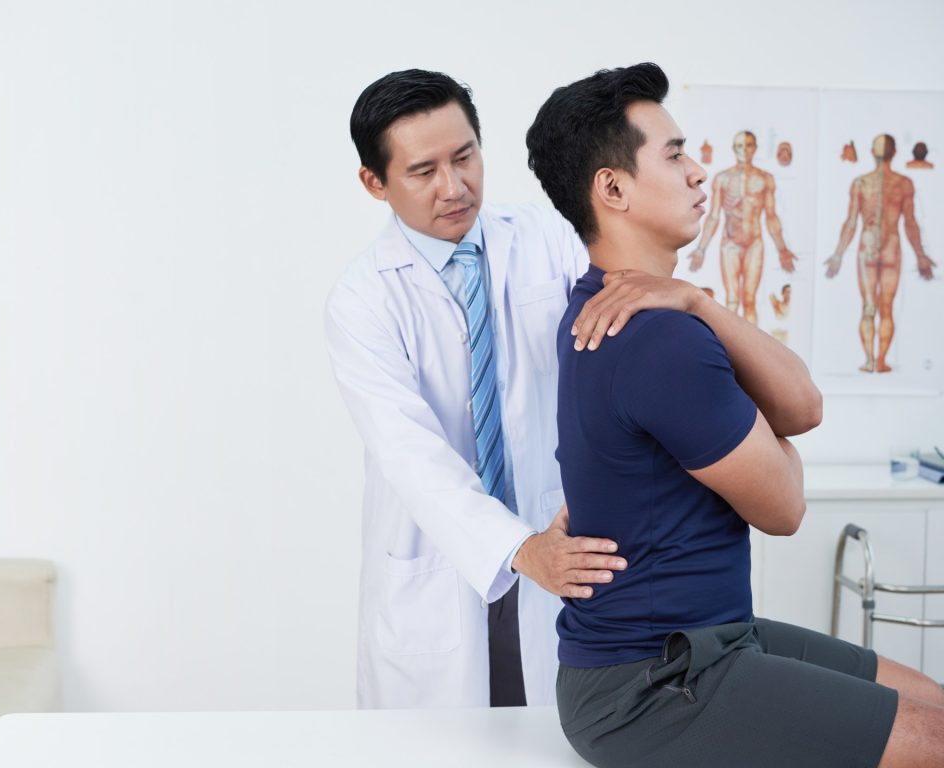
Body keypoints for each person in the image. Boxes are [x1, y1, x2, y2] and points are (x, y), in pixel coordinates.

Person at [527, 62, 944, 768]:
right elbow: (785, 507)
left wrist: (700, 301)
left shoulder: (615, 305)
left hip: (712, 638)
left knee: (932, 701)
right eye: (675, 155)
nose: (699, 173)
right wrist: (765, 424)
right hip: (651, 685)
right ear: (613, 188)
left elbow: (804, 405)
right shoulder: (655, 339)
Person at [325, 69, 699, 709]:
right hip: (442, 559)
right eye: (423, 171)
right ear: (374, 182)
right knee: (439, 745)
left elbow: (627, 328)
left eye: (465, 156)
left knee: (558, 733)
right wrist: (520, 548)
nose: (454, 186)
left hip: (564, 535)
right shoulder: (362, 301)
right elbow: (409, 454)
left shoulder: (548, 237)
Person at [825, 134, 936, 373]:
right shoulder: (902, 183)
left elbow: (852, 222)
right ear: (894, 153)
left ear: (871, 152)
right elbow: (909, 223)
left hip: (870, 248)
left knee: (871, 307)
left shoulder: (862, 183)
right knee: (883, 307)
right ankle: (879, 361)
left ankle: (871, 361)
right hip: (889, 248)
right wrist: (920, 255)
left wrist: (838, 255)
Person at [688, 130, 796, 325]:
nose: (744, 150)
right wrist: (701, 249)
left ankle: (750, 346)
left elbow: (771, 217)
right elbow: (713, 216)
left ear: (755, 148)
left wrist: (782, 249)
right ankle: (728, 346)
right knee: (731, 300)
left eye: (748, 145)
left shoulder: (765, 179)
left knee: (749, 300)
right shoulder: (722, 178)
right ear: (733, 148)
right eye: (740, 146)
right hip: (730, 244)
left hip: (754, 243)